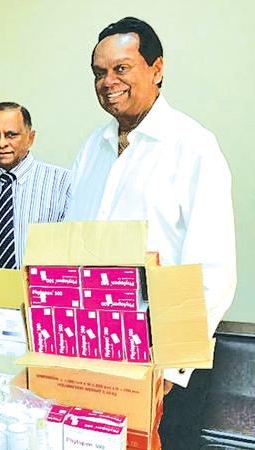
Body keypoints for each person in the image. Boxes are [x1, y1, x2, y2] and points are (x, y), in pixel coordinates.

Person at [66, 17, 236, 448]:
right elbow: (74, 248)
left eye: (121, 68)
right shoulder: (92, 147)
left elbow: (213, 272)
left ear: (156, 69)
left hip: (166, 366)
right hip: (96, 352)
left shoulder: (193, 146)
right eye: (99, 73)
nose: (108, 82)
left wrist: (168, 368)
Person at [0, 102, 71, 269]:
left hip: (46, 290)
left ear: (30, 138)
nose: (1, 143)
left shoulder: (63, 183)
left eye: (11, 135)